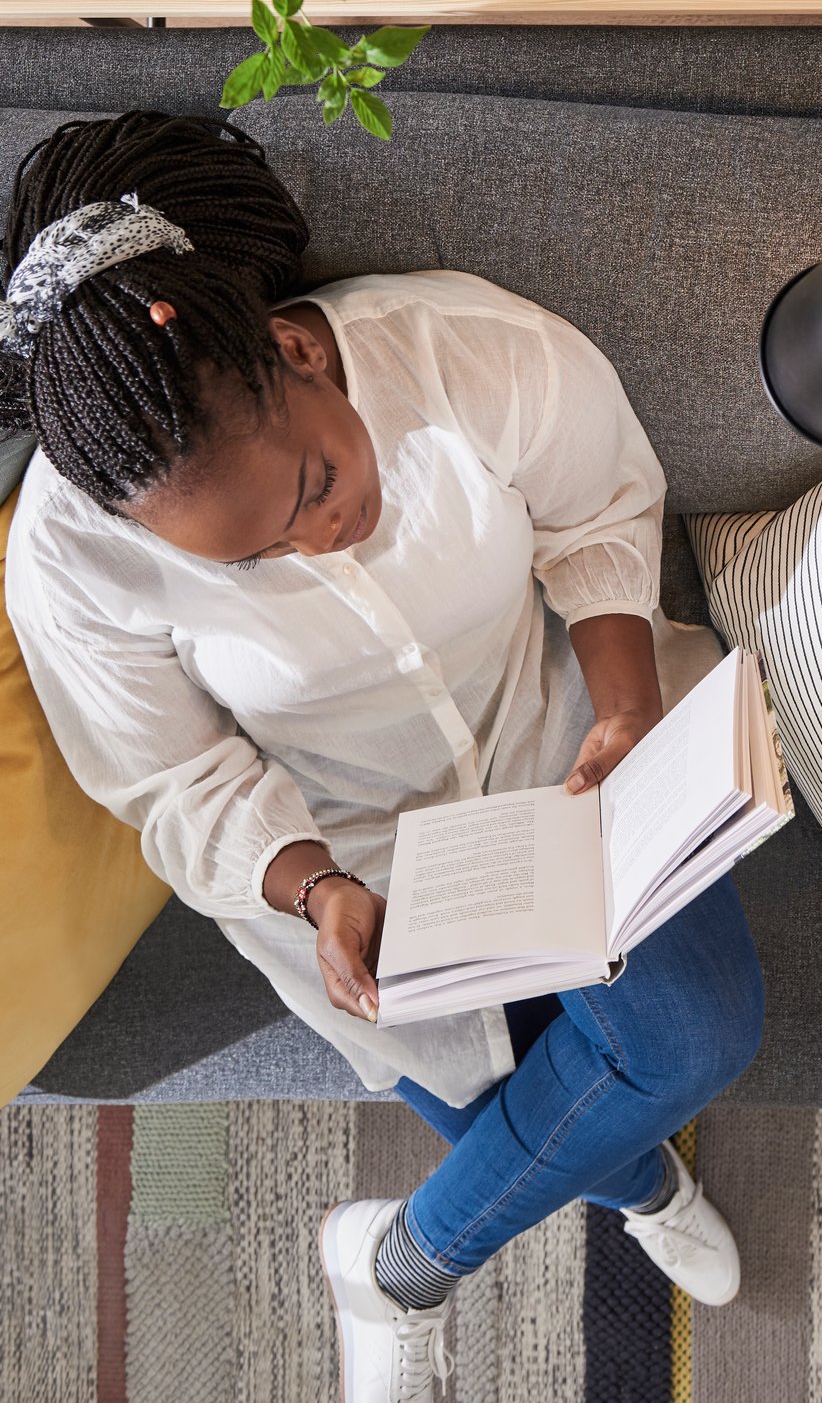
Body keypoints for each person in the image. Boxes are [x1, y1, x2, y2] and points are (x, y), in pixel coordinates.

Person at [1, 111, 766, 1403]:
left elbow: (599, 506)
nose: (319, 541)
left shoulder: (463, 350)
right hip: (366, 864)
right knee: (537, 1119)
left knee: (696, 1029)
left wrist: (625, 709)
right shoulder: (72, 562)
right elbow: (174, 783)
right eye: (251, 561)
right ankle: (644, 1179)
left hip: (560, 750)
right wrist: (311, 887)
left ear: (299, 351)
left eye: (310, 484)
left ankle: (399, 1262)